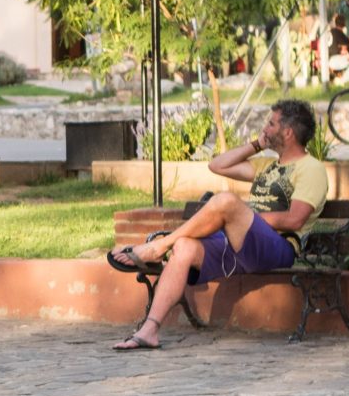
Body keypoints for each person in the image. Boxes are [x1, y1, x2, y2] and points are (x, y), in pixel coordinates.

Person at [105, 98, 329, 351]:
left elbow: (294, 219)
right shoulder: (268, 166)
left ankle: (158, 247)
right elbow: (217, 165)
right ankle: (149, 330)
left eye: (271, 124)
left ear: (288, 132)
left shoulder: (311, 169)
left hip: (277, 248)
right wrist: (257, 145)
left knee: (225, 202)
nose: (265, 128)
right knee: (185, 247)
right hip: (238, 243)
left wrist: (242, 216)